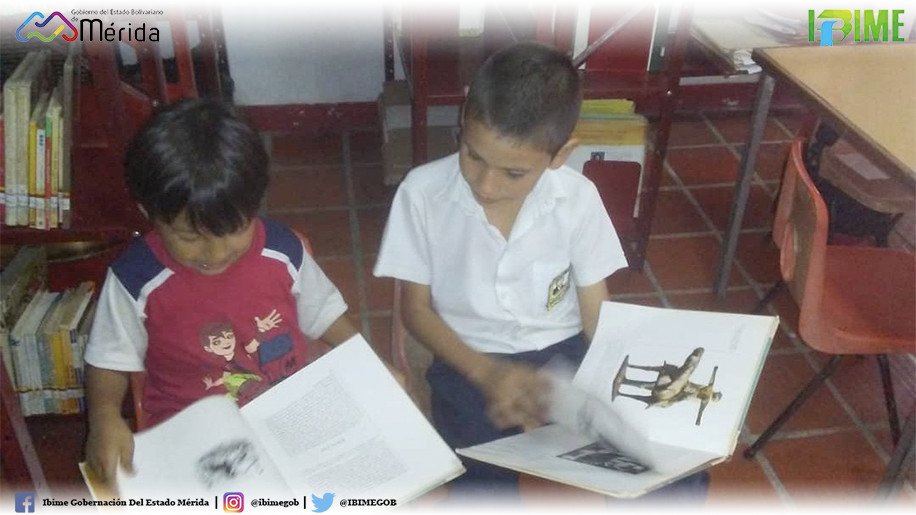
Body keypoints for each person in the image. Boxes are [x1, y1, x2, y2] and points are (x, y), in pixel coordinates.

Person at [374, 41, 624, 497]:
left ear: (561, 154)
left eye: (513, 174)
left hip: (564, 351)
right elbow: (417, 311)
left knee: (661, 463)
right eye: (473, 156)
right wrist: (488, 374)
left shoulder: (578, 197)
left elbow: (596, 309)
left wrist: (612, 381)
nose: (485, 185)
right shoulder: (421, 193)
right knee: (482, 473)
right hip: (468, 356)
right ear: (463, 122)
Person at [83, 99, 360, 487]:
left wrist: (370, 368)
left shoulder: (281, 252)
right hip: (190, 438)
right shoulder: (136, 279)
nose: (215, 253)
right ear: (148, 212)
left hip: (285, 420)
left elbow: (326, 315)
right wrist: (105, 418)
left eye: (233, 230)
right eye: (189, 236)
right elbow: (109, 361)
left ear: (253, 205)